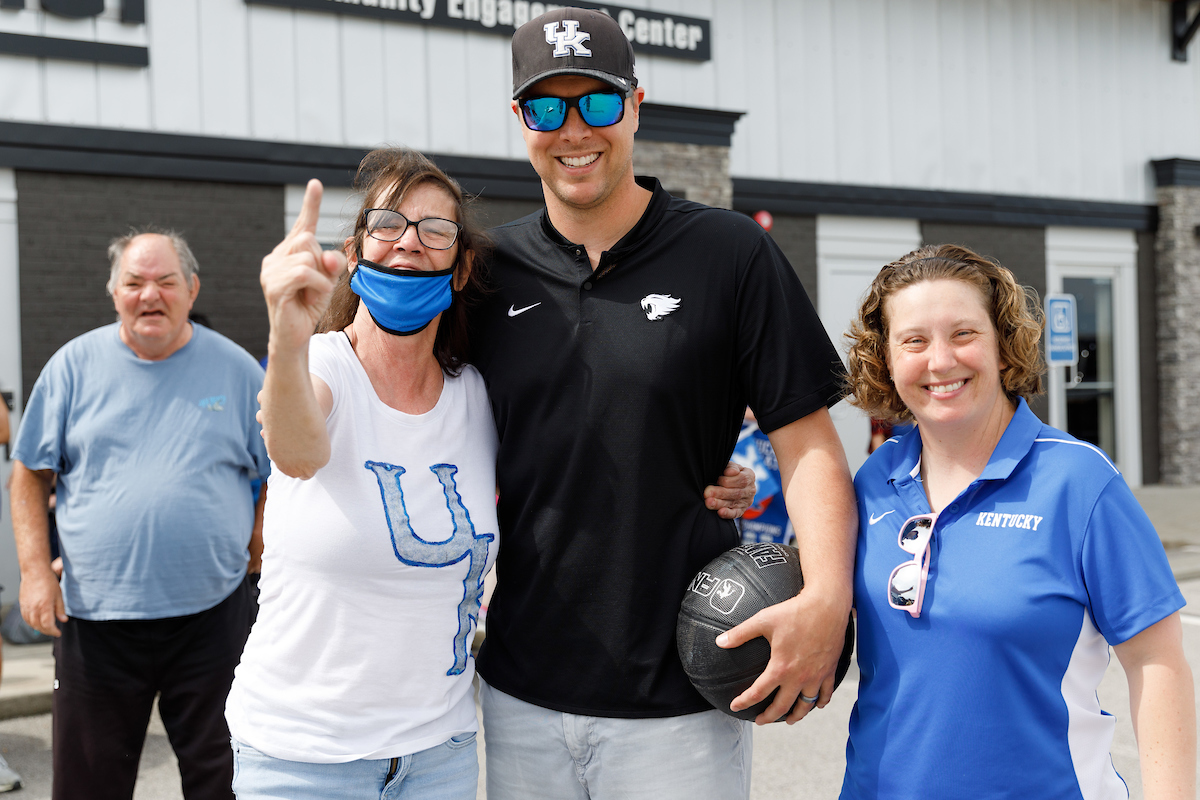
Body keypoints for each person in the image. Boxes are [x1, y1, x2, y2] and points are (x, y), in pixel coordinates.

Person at [470, 8, 857, 799]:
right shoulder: (488, 270)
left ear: (637, 106)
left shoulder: (729, 253)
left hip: (679, 700)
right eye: (547, 107)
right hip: (518, 692)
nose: (574, 129)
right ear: (520, 121)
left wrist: (827, 594)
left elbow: (808, 442)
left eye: (599, 103)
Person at [841, 244, 1194, 799]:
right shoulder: (872, 481)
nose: (940, 361)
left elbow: (1156, 661)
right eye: (914, 340)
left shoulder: (1078, 481)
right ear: (885, 359)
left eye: (963, 334)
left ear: (1004, 346)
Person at [224, 150, 498, 799]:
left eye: (435, 230)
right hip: (302, 758)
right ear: (354, 250)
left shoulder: (478, 396)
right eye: (388, 224)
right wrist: (285, 340)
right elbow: (295, 449)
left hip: (439, 753)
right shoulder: (319, 366)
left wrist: (706, 481)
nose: (408, 241)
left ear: (460, 267)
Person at [9, 230, 270, 800]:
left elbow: (278, 472)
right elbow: (29, 473)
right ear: (113, 292)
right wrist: (32, 573)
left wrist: (256, 547)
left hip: (214, 618)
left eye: (165, 281)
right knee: (88, 787)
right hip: (95, 622)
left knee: (226, 782)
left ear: (191, 288)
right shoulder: (71, 367)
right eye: (134, 282)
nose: (149, 294)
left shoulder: (237, 371)